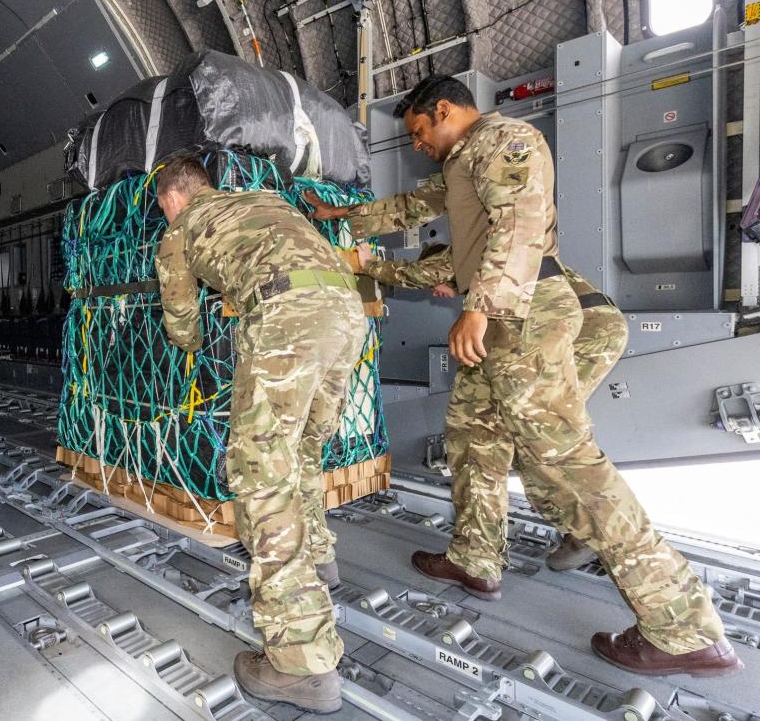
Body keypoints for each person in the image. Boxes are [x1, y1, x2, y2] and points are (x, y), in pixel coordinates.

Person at [308, 74, 740, 677]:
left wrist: (478, 305)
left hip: (526, 315)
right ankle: (475, 558)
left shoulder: (505, 140)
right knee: (472, 439)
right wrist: (340, 217)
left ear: (444, 111)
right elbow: (410, 207)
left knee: (566, 462)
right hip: (509, 319)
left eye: (417, 131)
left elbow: (519, 224)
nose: (415, 145)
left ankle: (682, 627)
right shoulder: (462, 165)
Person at [153, 153, 367, 713]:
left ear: (172, 198)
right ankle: (320, 560)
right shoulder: (265, 202)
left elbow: (183, 327)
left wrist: (199, 331)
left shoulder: (180, 229)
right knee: (305, 451)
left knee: (261, 474)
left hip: (287, 319)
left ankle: (302, 664)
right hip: (345, 311)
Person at [339, 239, 627, 570]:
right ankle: (584, 531)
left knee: (486, 438)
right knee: (536, 437)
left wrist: (368, 264)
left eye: (436, 285)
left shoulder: (468, 252)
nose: (435, 292)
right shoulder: (497, 281)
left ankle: (488, 555)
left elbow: (417, 272)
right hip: (595, 328)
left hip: (565, 331)